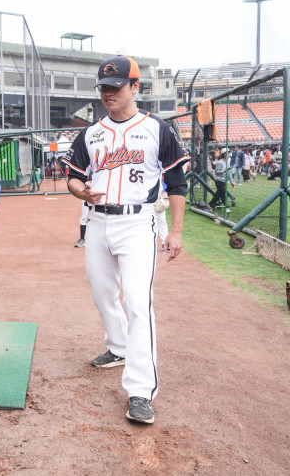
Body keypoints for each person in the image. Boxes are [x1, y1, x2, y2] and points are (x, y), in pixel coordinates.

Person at [62, 56, 189, 425]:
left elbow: (177, 183)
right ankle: (118, 348)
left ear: (135, 87)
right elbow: (73, 176)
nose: (108, 93)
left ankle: (140, 390)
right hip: (98, 221)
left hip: (137, 224)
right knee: (102, 293)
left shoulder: (158, 129)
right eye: (104, 87)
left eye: (116, 86)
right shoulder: (91, 133)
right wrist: (80, 191)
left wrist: (176, 231)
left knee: (137, 302)